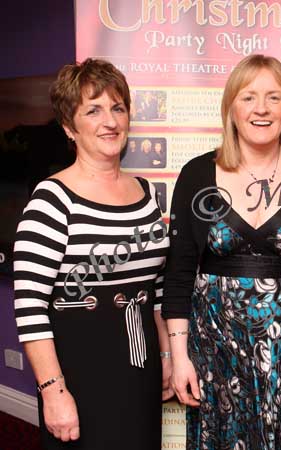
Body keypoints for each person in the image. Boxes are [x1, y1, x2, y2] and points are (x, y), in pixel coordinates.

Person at [161, 54, 281, 449]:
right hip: (215, 351)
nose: (261, 109)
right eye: (248, 97)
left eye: (273, 97)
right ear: (230, 108)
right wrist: (179, 357)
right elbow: (178, 274)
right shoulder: (196, 174)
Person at [13, 58, 172, 450]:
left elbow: (158, 287)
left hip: (141, 366)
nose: (110, 121)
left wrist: (166, 354)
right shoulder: (51, 200)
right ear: (70, 126)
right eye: (94, 110)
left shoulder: (147, 193)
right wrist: (53, 391)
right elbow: (30, 306)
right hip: (79, 375)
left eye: (118, 108)